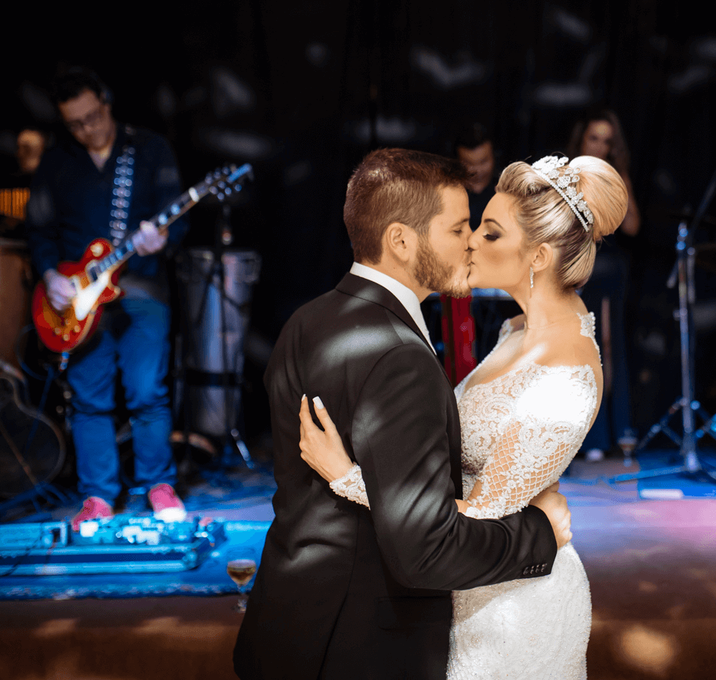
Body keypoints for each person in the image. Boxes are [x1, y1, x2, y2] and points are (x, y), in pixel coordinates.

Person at [233, 148, 574, 680]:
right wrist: (539, 534)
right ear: (400, 240)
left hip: (288, 624)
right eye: (458, 228)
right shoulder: (400, 358)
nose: (471, 242)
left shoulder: (307, 320)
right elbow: (426, 551)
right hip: (362, 646)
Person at [299, 153, 629, 678]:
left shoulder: (564, 379)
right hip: (468, 589)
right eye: (475, 226)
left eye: (490, 233)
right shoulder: (516, 330)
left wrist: (349, 478)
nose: (471, 240)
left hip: (515, 611)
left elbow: (473, 519)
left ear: (539, 257)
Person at [26, 67, 188, 526]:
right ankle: (97, 496)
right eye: (74, 123)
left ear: (107, 103)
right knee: (89, 398)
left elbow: (179, 221)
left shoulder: (151, 149)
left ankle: (159, 485)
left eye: (92, 117)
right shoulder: (57, 163)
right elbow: (38, 230)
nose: (86, 129)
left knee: (146, 391)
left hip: (141, 288)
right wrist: (50, 274)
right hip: (77, 299)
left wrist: (163, 240)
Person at [567, 107, 638, 461]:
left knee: (608, 346)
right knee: (578, 351)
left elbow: (632, 227)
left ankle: (616, 428)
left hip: (608, 265)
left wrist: (618, 179)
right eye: (593, 138)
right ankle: (586, 435)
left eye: (605, 141)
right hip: (576, 265)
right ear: (582, 138)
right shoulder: (565, 173)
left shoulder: (613, 174)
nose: (598, 146)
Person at [452, 123, 496, 230]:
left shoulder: (508, 191)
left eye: (483, 162)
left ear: (494, 157)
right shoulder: (448, 194)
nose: (477, 170)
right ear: (457, 162)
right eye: (468, 163)